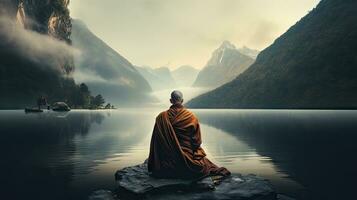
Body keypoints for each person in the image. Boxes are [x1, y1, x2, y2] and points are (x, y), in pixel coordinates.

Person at [148, 90, 231, 180]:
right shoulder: (191, 117)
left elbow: (156, 142)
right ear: (182, 100)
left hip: (166, 163)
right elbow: (197, 142)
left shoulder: (161, 118)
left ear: (171, 101)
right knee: (204, 164)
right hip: (188, 161)